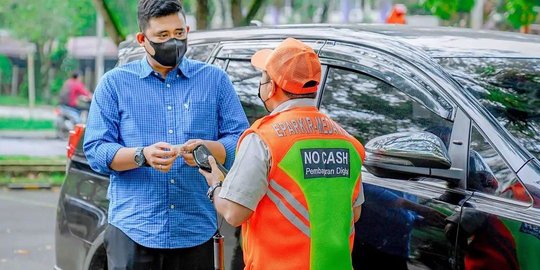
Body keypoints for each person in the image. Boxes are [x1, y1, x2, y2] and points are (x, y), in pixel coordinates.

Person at [83, 0, 249, 269]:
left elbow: (241, 141)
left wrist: (210, 150)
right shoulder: (114, 83)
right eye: (162, 36)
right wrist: (142, 155)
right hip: (134, 229)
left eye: (179, 33)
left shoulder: (215, 80)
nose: (172, 41)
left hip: (195, 228)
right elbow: (96, 150)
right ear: (142, 39)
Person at [199, 37, 366, 270]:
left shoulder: (263, 139)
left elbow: (234, 213)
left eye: (263, 77)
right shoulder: (349, 143)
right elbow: (354, 213)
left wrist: (215, 183)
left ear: (272, 87)